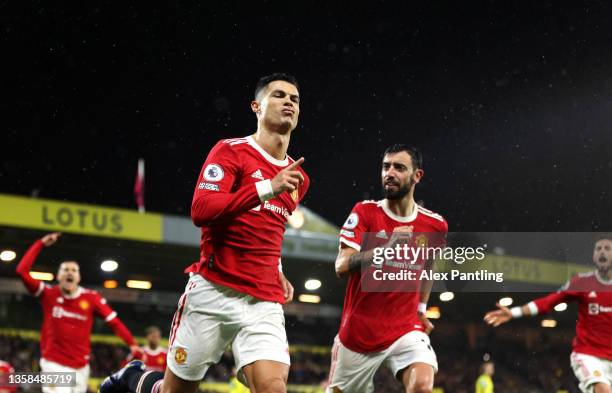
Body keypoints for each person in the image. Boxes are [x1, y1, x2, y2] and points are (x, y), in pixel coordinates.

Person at [102, 73, 309, 393]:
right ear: (257, 106)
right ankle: (136, 378)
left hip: (263, 300)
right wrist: (267, 187)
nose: (288, 102)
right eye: (279, 95)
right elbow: (202, 210)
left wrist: (278, 268)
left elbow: (272, 226)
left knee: (272, 388)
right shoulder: (230, 152)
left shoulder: (299, 178)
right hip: (214, 290)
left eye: (294, 99)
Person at [326, 144, 448, 393]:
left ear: (417, 176)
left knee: (422, 386)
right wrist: (385, 248)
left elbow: (429, 266)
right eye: (386, 166)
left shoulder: (435, 225)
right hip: (359, 334)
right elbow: (341, 265)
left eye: (399, 167)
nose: (389, 173)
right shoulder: (365, 212)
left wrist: (422, 308)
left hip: (405, 329)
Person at [483, 235, 612, 393]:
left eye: (607, 248)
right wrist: (514, 312)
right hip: (589, 355)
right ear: (593, 256)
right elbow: (548, 302)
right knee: (603, 389)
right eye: (598, 249)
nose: (602, 252)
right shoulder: (582, 282)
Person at [15, 232, 139, 393]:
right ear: (58, 276)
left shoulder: (91, 298)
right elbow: (21, 271)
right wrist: (41, 243)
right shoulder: (48, 294)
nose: (69, 272)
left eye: (74, 270)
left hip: (81, 367)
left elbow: (114, 322)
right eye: (65, 269)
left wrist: (132, 344)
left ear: (78, 277)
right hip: (54, 364)